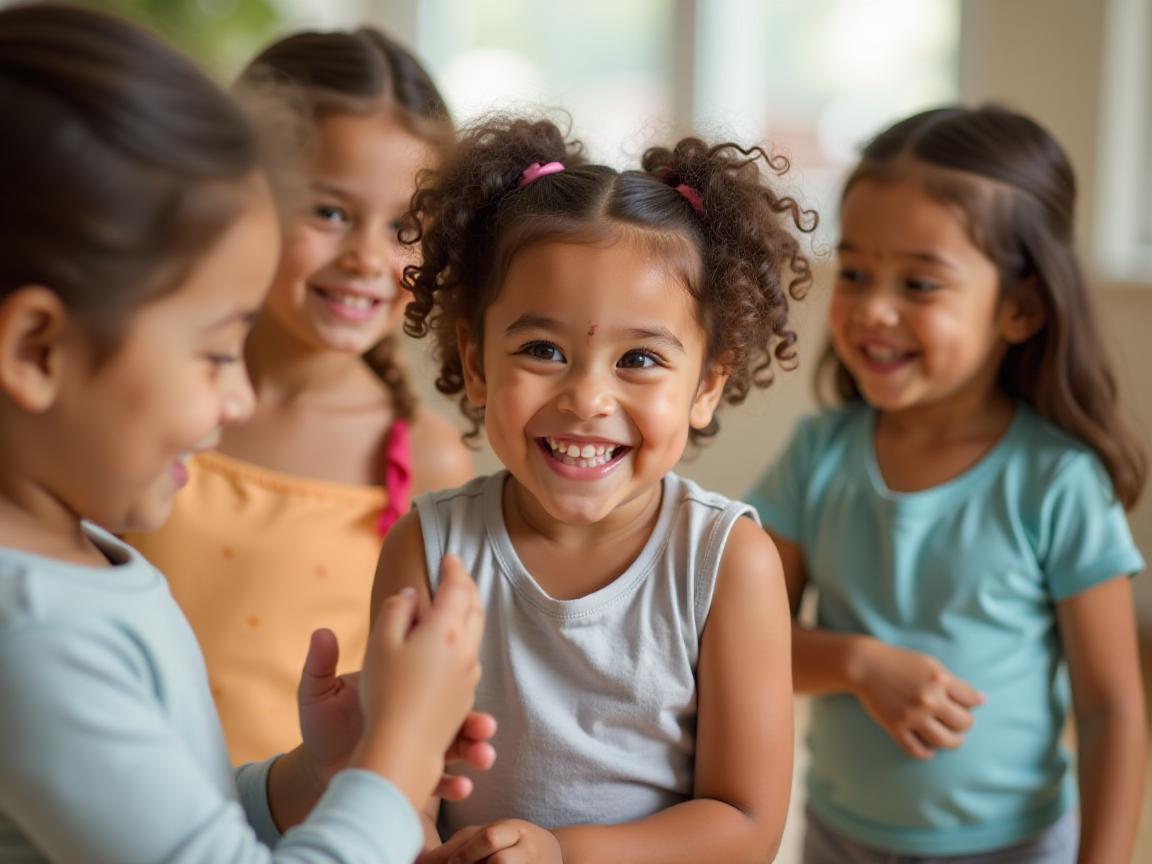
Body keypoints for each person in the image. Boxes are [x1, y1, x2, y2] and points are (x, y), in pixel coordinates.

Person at [0, 6, 491, 862]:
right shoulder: (33, 634)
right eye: (214, 352)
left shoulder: (78, 565)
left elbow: (176, 823)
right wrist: (396, 751)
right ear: (37, 351)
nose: (236, 401)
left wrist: (309, 776)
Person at [370, 115, 814, 863]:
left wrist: (560, 854)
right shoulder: (430, 547)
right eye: (542, 350)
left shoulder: (727, 560)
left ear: (706, 386)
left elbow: (747, 823)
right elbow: (393, 782)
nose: (587, 398)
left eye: (639, 359)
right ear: (476, 365)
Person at [746, 105, 1147, 863]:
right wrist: (859, 665)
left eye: (921, 284)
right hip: (840, 839)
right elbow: (746, 645)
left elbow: (1111, 710)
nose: (873, 309)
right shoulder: (816, 457)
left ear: (1020, 309)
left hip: (1019, 847)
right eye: (856, 271)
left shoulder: (1056, 481)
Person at [124, 26, 475, 765]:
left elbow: (416, 703)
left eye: (406, 228)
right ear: (237, 196)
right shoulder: (142, 399)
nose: (368, 259)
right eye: (330, 212)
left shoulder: (428, 461)